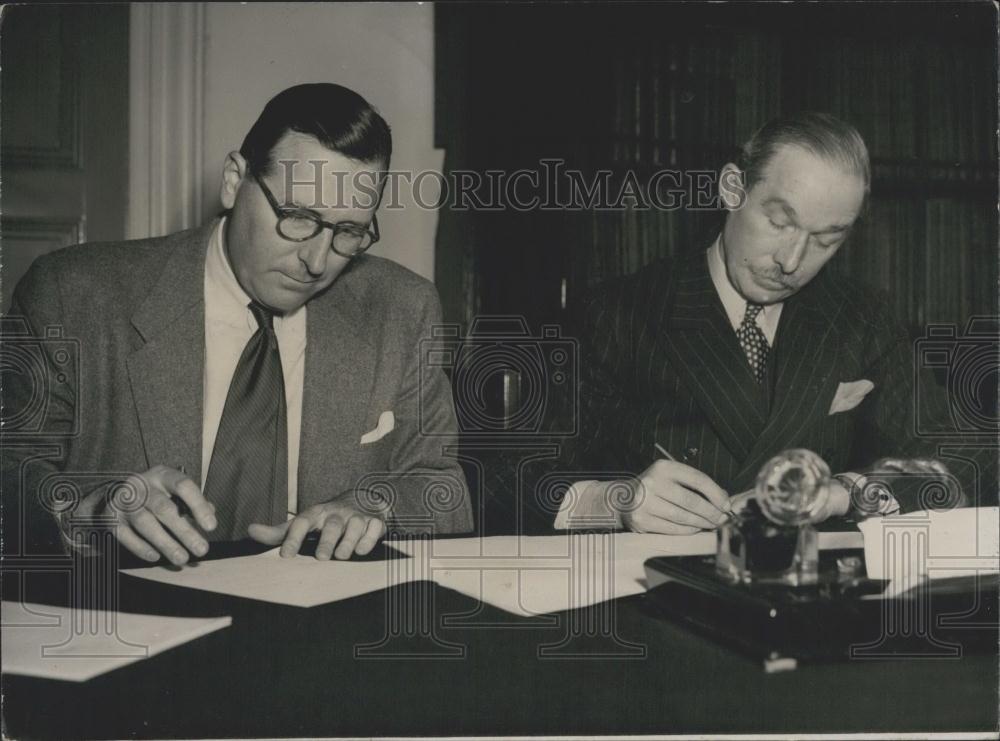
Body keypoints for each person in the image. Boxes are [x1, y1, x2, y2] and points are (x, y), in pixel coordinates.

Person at [2, 83, 472, 564]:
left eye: (348, 231)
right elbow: (11, 471)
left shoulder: (401, 309)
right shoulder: (73, 294)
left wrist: (373, 505)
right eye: (296, 216)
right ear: (234, 180)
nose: (315, 260)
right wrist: (89, 511)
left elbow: (444, 489)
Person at [517, 111, 994, 533]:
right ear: (732, 189)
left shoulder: (863, 319)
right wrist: (612, 503)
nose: (791, 261)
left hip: (804, 601)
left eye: (826, 240)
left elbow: (968, 458)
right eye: (779, 222)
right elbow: (507, 475)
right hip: (658, 603)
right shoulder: (616, 313)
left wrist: (847, 492)